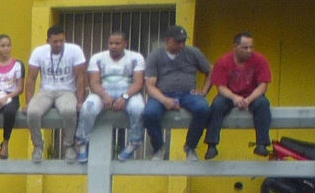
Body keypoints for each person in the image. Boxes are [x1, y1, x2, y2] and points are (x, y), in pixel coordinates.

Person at [142, 25, 213, 160]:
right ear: (168, 40)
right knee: (149, 113)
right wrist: (164, 100)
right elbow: (149, 85)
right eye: (178, 41)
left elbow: (211, 70)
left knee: (203, 109)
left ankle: (190, 146)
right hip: (162, 94)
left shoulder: (193, 52)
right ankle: (158, 148)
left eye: (183, 41)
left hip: (188, 94)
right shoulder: (156, 55)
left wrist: (204, 91)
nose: (182, 44)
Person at [203, 32, 273, 158]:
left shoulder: (260, 60)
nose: (249, 50)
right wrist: (234, 98)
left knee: (263, 103)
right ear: (235, 46)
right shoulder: (223, 61)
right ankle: (212, 145)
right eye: (245, 48)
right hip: (229, 95)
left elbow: (263, 86)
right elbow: (221, 87)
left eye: (251, 47)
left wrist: (249, 99)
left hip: (252, 95)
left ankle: (262, 144)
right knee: (217, 104)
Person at [23, 26, 87, 162]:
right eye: (55, 42)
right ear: (48, 41)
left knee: (69, 111)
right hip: (45, 91)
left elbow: (81, 77)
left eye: (61, 41)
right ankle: (38, 146)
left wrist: (80, 101)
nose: (58, 44)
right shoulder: (39, 52)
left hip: (67, 91)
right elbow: (31, 78)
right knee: (33, 112)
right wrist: (28, 102)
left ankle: (69, 145)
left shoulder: (74, 50)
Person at [85, 29, 145, 164]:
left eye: (117, 43)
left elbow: (139, 82)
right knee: (88, 108)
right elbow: (94, 83)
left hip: (129, 90)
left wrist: (124, 97)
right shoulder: (97, 57)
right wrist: (105, 96)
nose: (113, 46)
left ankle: (134, 142)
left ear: (125, 44)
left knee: (138, 109)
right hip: (103, 90)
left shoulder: (136, 57)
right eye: (110, 43)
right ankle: (83, 142)